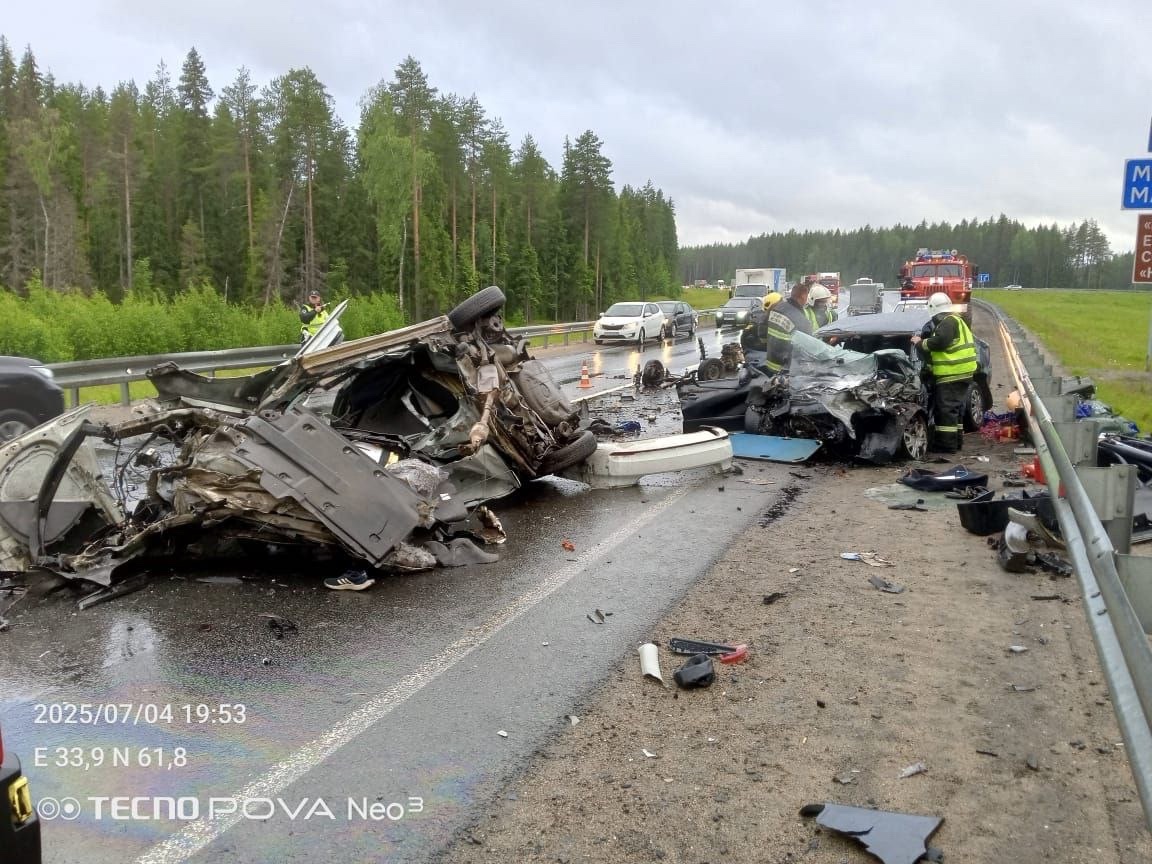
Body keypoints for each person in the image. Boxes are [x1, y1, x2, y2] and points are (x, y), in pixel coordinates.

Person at [911, 292, 978, 453]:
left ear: (933, 309)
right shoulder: (956, 320)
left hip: (952, 374)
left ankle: (945, 446)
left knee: (946, 410)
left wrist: (920, 343)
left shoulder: (948, 323)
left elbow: (940, 342)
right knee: (955, 410)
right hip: (961, 372)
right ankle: (956, 442)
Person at [763, 279, 814, 373]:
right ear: (803, 296)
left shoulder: (777, 308)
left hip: (770, 363)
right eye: (807, 297)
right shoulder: (800, 320)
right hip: (785, 370)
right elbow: (808, 348)